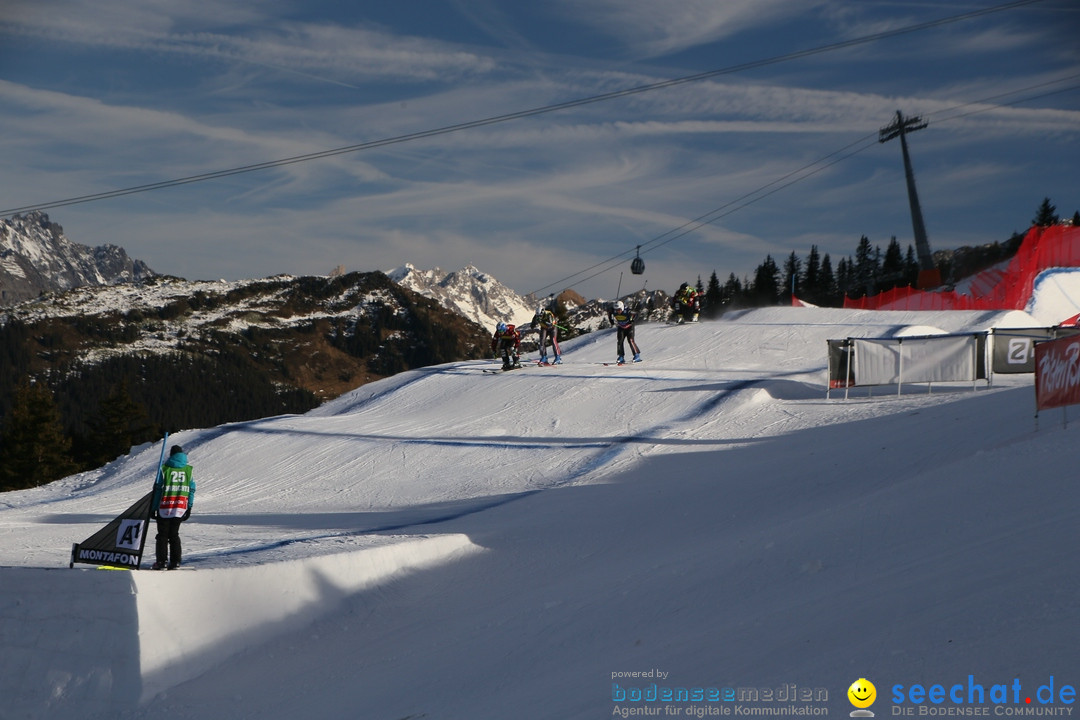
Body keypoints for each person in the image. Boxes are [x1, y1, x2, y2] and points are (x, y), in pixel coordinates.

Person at [151, 445, 194, 570]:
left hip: (164, 507)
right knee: (174, 535)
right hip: (180, 508)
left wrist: (153, 507)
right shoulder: (188, 470)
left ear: (171, 455)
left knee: (162, 535)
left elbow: (158, 490)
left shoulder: (164, 469)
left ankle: (161, 562)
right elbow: (191, 490)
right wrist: (189, 506)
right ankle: (176, 562)